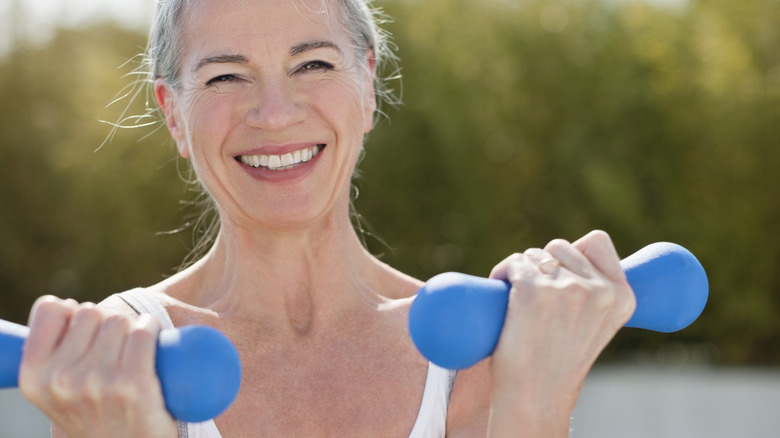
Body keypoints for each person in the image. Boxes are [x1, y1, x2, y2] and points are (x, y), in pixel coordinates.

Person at [18, 0, 636, 436]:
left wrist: (539, 397)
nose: (275, 113)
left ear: (365, 84)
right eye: (227, 76)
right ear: (174, 114)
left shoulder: (465, 362)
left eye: (312, 63)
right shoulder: (122, 360)